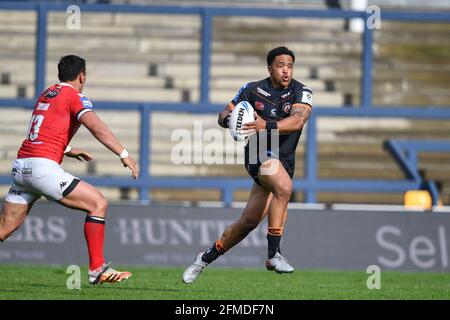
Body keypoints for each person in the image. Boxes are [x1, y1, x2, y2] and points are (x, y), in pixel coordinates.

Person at [0, 55, 139, 285]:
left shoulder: (47, 93)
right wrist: (124, 155)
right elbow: (95, 126)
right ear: (82, 76)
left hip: (21, 167)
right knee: (98, 204)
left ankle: (97, 270)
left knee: (3, 230)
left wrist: (68, 149)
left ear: (59, 74)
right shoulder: (74, 96)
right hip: (42, 168)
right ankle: (97, 270)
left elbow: (43, 129)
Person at [182, 46, 312, 283]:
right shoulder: (252, 90)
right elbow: (224, 115)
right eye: (281, 65)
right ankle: (274, 255)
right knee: (283, 188)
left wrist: (265, 125)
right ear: (270, 68)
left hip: (284, 160)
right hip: (258, 154)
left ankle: (203, 259)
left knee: (248, 223)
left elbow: (297, 121)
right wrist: (229, 119)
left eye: (290, 66)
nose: (286, 71)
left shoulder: (301, 91)